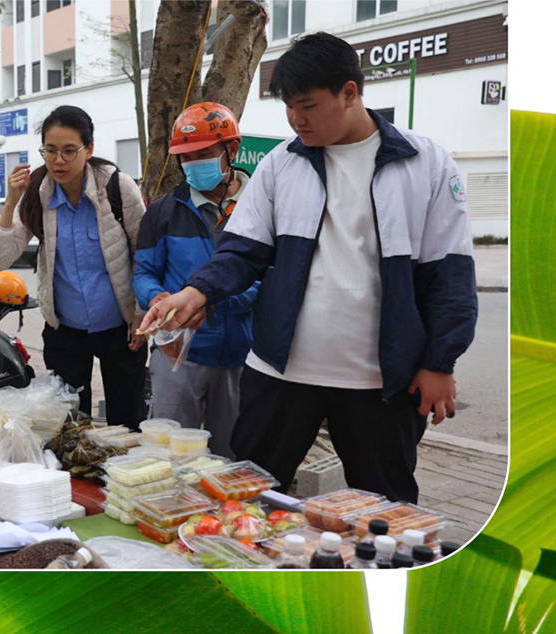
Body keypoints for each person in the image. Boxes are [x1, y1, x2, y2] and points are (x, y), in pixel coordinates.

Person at [139, 33, 477, 504]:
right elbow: (241, 252)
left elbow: (451, 275)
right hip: (280, 373)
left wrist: (439, 361)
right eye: (288, 108)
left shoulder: (426, 165)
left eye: (308, 106)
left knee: (383, 506)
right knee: (250, 498)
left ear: (349, 93)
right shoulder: (282, 164)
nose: (297, 120)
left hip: (379, 383)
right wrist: (195, 294)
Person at [0, 106, 150, 428]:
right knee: (70, 425)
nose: (58, 161)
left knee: (126, 422)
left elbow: (145, 253)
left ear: (88, 149)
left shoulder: (117, 187)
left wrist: (142, 315)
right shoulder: (36, 192)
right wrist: (10, 203)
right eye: (50, 151)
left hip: (121, 327)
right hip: (65, 331)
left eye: (69, 151)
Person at [132, 103, 259, 457]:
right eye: (185, 158)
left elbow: (265, 278)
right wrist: (156, 298)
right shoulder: (163, 211)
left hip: (242, 356)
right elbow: (143, 272)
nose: (192, 166)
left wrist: (209, 299)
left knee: (233, 461)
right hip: (178, 355)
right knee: (169, 456)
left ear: (231, 150)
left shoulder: (258, 208)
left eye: (202, 155)